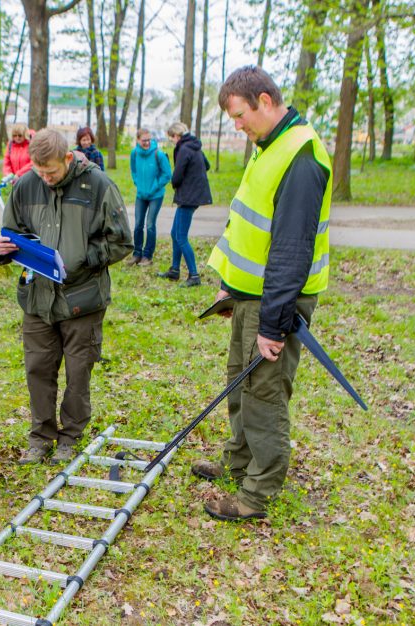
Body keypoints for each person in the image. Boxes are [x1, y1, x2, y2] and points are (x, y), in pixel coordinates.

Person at [193, 66, 332, 522]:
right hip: (250, 295)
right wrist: (230, 284)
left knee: (264, 393)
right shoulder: (268, 144)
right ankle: (238, 461)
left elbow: (291, 248)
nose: (237, 126)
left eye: (239, 116)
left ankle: (257, 492)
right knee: (239, 379)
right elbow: (249, 224)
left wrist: (273, 325)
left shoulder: (302, 155)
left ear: (265, 101)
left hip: (277, 301)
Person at [0, 129, 132, 465]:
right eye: (40, 172)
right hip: (38, 298)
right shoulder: (25, 186)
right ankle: (41, 436)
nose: (46, 178)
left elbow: (122, 241)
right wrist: (1, 250)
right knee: (38, 368)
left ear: (68, 159)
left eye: (51, 172)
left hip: (82, 300)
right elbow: (12, 233)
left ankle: (70, 436)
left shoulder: (98, 186)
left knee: (79, 371)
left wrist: (82, 259)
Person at [156, 122, 212, 288]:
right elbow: (206, 165)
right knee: (175, 233)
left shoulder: (184, 149)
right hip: (193, 195)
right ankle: (174, 270)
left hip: (188, 197)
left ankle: (194, 275)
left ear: (176, 136)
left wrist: (177, 182)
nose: (172, 141)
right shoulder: (195, 147)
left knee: (180, 236)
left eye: (171, 138)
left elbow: (177, 175)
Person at [126, 128, 172, 266]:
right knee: (138, 224)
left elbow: (167, 174)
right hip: (141, 195)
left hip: (156, 195)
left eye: (149, 140)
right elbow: (133, 170)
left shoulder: (159, 154)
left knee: (150, 224)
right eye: (144, 140)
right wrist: (137, 183)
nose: (147, 143)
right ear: (138, 140)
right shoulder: (134, 153)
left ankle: (147, 256)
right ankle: (137, 254)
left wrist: (155, 186)